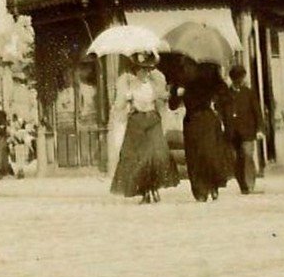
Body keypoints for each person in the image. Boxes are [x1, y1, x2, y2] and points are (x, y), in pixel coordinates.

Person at [109, 52, 175, 203]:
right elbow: (119, 106)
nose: (144, 72)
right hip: (137, 123)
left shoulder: (154, 85)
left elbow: (162, 102)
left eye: (147, 69)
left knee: (154, 156)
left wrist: (164, 97)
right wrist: (126, 99)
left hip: (152, 122)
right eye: (141, 69)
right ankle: (145, 191)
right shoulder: (130, 85)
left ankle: (154, 188)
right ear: (136, 70)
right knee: (139, 158)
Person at [169, 58, 229, 202]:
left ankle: (213, 184)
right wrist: (177, 93)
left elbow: (224, 93)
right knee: (193, 156)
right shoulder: (181, 77)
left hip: (207, 118)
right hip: (191, 120)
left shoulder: (210, 72)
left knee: (209, 154)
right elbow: (173, 105)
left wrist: (215, 97)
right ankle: (199, 190)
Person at [220, 64, 263, 194]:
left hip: (248, 131)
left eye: (241, 77)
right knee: (237, 159)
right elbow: (220, 110)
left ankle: (250, 183)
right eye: (237, 78)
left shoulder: (249, 93)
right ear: (232, 78)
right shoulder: (225, 94)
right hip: (231, 132)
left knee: (248, 155)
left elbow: (257, 112)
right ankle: (243, 185)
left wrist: (260, 129)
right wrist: (222, 124)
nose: (239, 80)